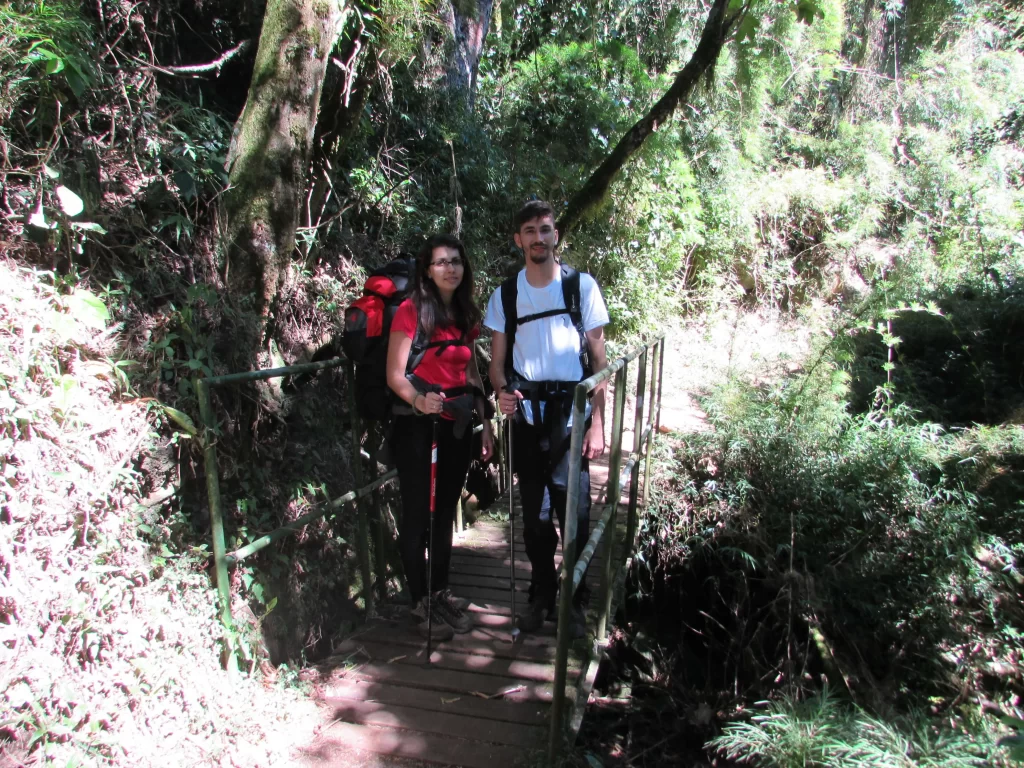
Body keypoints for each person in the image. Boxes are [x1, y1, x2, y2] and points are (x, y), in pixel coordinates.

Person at [484, 200, 609, 638]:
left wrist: (598, 423)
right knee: (536, 521)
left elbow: (598, 362)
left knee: (574, 512)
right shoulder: (506, 295)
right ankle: (541, 592)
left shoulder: (581, 288)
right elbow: (497, 362)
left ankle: (573, 600)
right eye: (530, 231)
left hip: (572, 417)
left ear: (556, 235)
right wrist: (501, 390)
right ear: (518, 240)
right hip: (528, 417)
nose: (539, 238)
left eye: (546, 229)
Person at [386, 234, 494, 640]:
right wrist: (418, 401)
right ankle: (420, 601)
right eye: (441, 262)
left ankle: (440, 591)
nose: (450, 268)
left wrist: (483, 421)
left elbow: (468, 370)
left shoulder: (464, 312)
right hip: (419, 427)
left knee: (445, 508)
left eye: (456, 261)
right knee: (417, 514)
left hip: (456, 423)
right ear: (427, 271)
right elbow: (394, 375)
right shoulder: (412, 311)